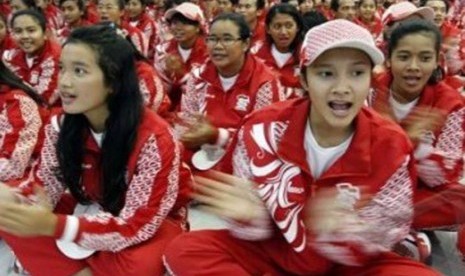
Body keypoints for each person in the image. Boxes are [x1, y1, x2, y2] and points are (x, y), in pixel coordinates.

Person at [163, 19, 441, 275]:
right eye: (326, 74)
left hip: (344, 264)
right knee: (185, 250)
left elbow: (390, 227)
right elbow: (245, 215)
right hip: (275, 249)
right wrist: (252, 216)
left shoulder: (392, 144)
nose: (342, 88)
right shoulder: (261, 130)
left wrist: (343, 230)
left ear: (371, 80)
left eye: (356, 73)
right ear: (305, 80)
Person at [0, 25, 191, 276]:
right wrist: (18, 200)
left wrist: (56, 226)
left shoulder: (156, 139)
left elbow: (138, 225)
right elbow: (45, 186)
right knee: (12, 218)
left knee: (140, 265)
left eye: (79, 71)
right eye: (61, 69)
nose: (65, 82)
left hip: (150, 220)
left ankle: (69, 266)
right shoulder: (61, 126)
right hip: (92, 204)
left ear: (113, 81)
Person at [370, 19, 465, 260]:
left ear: (436, 61)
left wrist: (414, 149)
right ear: (389, 59)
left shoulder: (451, 103)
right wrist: (407, 139)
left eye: (424, 58)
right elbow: (358, 154)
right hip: (371, 184)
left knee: (459, 199)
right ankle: (401, 233)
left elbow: (447, 173)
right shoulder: (370, 91)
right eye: (404, 57)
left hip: (417, 193)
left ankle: (390, 229)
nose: (414, 66)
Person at [177, 12, 283, 172]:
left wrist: (217, 136)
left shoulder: (265, 82)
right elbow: (187, 120)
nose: (218, 46)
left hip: (247, 167)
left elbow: (265, 140)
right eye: (212, 39)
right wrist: (191, 134)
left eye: (227, 39)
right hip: (202, 158)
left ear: (246, 43)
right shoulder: (198, 76)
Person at [153, 2, 208, 110]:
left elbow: (203, 94)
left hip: (195, 111)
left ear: (198, 27)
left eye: (185, 23)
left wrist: (181, 74)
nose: (178, 27)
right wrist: (168, 74)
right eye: (174, 22)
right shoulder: (162, 51)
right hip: (166, 109)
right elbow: (159, 91)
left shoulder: (209, 54)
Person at [3, 9, 61, 107]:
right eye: (18, 31)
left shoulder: (56, 57)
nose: (24, 36)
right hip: (19, 107)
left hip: (51, 114)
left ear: (45, 33)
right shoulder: (11, 56)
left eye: (31, 30)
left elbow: (44, 100)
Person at [252, 3, 305, 99]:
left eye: (289, 26)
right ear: (268, 29)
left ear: (297, 27)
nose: (283, 32)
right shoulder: (255, 53)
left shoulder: (306, 55)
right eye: (277, 26)